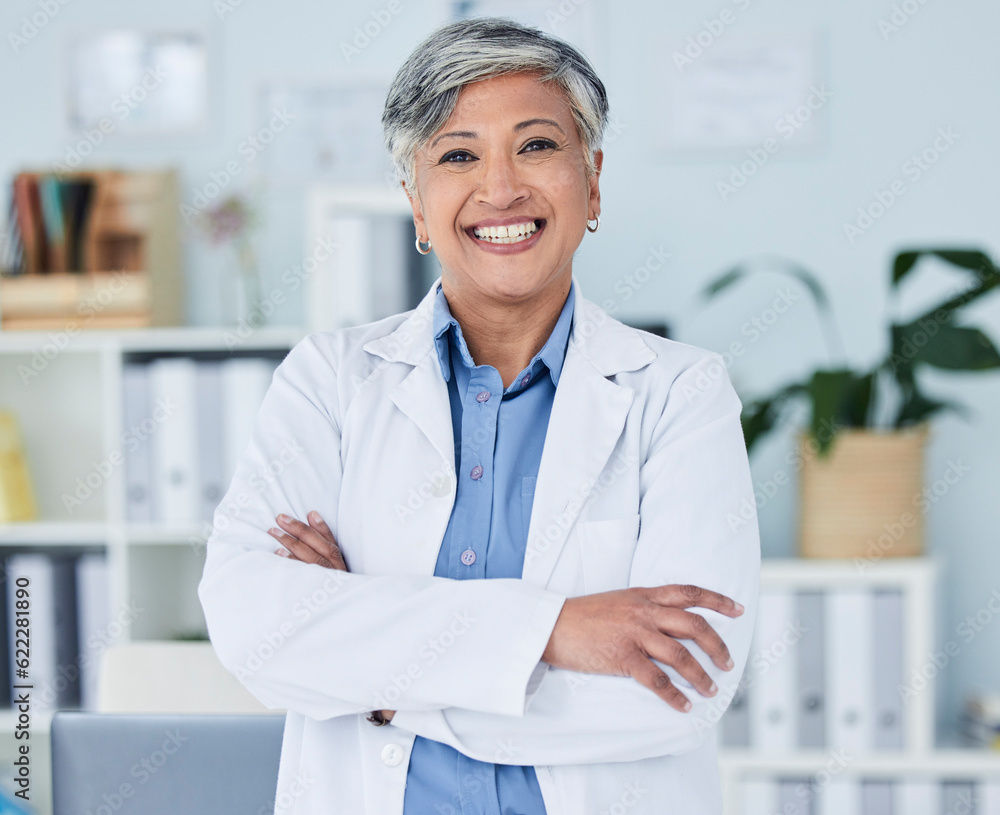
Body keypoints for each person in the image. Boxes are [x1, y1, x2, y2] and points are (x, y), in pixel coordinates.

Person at [198, 17, 760, 815]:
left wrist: (382, 686)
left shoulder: (681, 393)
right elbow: (254, 624)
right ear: (417, 204)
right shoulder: (328, 381)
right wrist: (557, 631)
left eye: (536, 146)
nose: (500, 188)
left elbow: (680, 685)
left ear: (592, 182)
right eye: (458, 154)